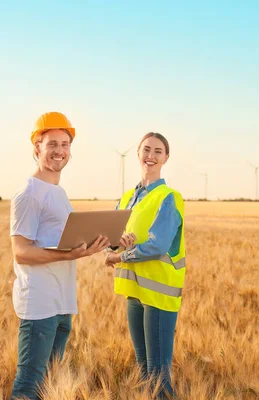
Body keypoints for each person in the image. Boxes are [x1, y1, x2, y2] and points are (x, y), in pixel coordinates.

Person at [10, 111, 110, 400]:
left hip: (62, 301)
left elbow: (67, 242)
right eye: (52, 143)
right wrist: (67, 256)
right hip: (39, 303)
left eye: (65, 144)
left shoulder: (58, 192)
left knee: (50, 381)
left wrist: (105, 242)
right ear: (36, 148)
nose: (59, 151)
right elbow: (21, 252)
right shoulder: (29, 193)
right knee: (29, 385)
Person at [105, 132, 186, 400]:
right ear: (138, 153)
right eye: (146, 149)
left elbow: (157, 245)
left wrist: (120, 257)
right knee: (143, 371)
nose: (151, 156)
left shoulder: (168, 197)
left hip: (159, 296)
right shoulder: (127, 197)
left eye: (158, 151)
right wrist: (117, 244)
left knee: (158, 375)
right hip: (134, 293)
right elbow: (110, 240)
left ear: (166, 158)